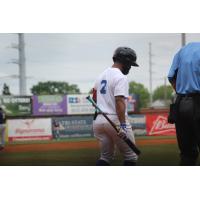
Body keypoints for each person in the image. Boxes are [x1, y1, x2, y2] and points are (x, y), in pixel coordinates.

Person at [92, 47, 139, 166]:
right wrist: (122, 125)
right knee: (131, 156)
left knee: (105, 157)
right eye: (130, 64)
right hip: (115, 120)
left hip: (99, 120)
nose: (130, 67)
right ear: (126, 62)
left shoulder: (101, 75)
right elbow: (119, 102)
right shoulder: (120, 77)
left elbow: (94, 98)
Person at [168, 42, 200, 165]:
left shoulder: (181, 51)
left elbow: (171, 76)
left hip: (180, 104)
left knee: (187, 155)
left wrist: (181, 91)